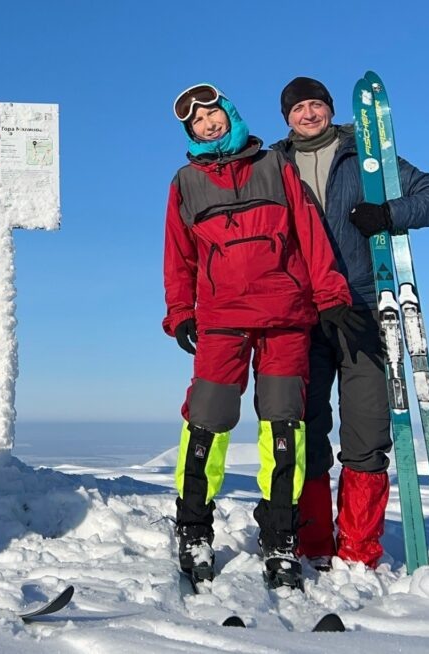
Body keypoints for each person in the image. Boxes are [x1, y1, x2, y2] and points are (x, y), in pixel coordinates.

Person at [163, 83, 358, 589]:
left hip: (286, 316)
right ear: (191, 132)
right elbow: (179, 255)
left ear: (230, 114)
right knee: (207, 418)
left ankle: (280, 535)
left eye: (213, 114)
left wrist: (330, 294)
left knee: (282, 423)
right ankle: (193, 526)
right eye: (197, 122)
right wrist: (181, 310)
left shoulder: (275, 165)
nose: (208, 124)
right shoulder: (185, 182)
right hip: (221, 318)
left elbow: (310, 234)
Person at [272, 77, 429, 569]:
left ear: (330, 109)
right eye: (298, 108)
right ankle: (312, 544)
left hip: (364, 310)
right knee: (305, 429)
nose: (308, 114)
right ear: (286, 117)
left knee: (367, 431)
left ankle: (358, 550)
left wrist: (390, 212)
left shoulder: (366, 155)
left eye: (316, 105)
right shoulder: (274, 164)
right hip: (301, 315)